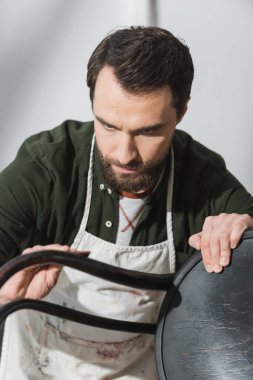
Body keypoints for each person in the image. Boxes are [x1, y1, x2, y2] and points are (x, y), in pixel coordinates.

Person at [0, 26, 253, 379]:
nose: (124, 154)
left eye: (147, 131)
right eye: (108, 126)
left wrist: (245, 242)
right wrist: (4, 291)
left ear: (180, 113)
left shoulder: (205, 183)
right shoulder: (46, 168)